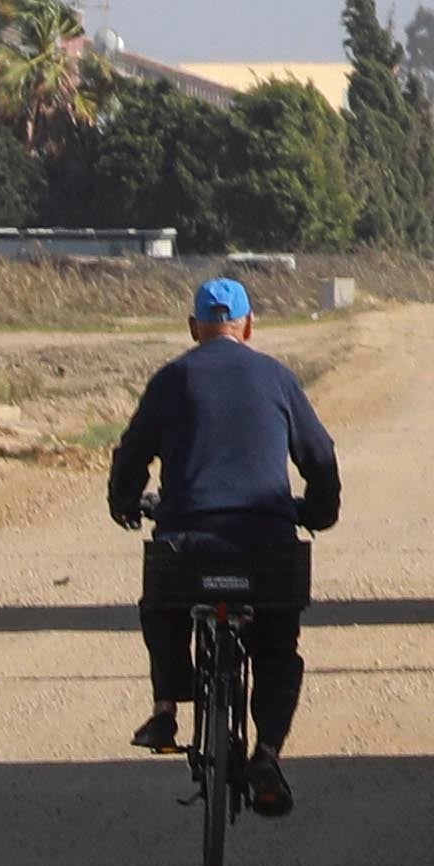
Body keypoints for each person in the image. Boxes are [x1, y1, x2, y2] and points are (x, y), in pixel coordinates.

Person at [106, 275, 344, 812]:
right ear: (249, 327)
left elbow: (132, 453)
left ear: (194, 329)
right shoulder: (277, 378)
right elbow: (320, 456)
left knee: (162, 606)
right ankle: (267, 752)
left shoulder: (171, 380)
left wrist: (125, 502)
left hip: (187, 544)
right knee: (277, 648)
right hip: (266, 546)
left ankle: (167, 707)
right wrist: (319, 513)